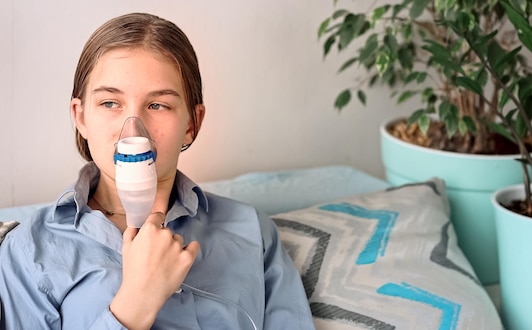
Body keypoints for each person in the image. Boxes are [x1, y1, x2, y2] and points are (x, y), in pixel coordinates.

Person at [0, 12, 314, 329]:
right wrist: (135, 304)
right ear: (80, 117)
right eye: (110, 103)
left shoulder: (249, 230)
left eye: (157, 105)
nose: (133, 130)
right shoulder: (29, 250)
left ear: (192, 123)